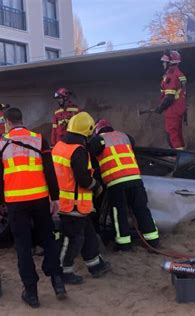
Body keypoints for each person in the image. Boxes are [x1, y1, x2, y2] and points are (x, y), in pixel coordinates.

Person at [0, 107, 66, 308]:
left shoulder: (0, 143)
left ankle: (31, 293)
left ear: (7, 121)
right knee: (48, 239)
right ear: (22, 119)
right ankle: (58, 282)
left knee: (23, 246)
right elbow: (49, 169)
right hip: (40, 198)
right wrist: (55, 197)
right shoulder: (38, 139)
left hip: (16, 202)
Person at [52, 112, 111, 285]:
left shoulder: (59, 146)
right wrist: (97, 186)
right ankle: (64, 272)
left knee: (88, 235)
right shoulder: (79, 151)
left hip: (65, 203)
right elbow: (83, 179)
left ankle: (96, 266)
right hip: (74, 205)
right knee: (72, 241)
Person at [88, 119, 160, 251]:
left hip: (116, 182)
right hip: (136, 180)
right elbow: (131, 144)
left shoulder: (99, 140)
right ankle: (153, 240)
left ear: (97, 130)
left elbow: (89, 152)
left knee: (118, 213)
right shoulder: (125, 136)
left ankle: (124, 244)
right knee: (142, 210)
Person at [155, 50, 187, 150]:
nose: (163, 63)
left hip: (173, 108)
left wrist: (160, 108)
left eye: (164, 61)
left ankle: (178, 158)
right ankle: (183, 154)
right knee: (177, 133)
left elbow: (169, 96)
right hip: (180, 106)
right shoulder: (179, 73)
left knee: (171, 134)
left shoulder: (171, 75)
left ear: (170, 62)